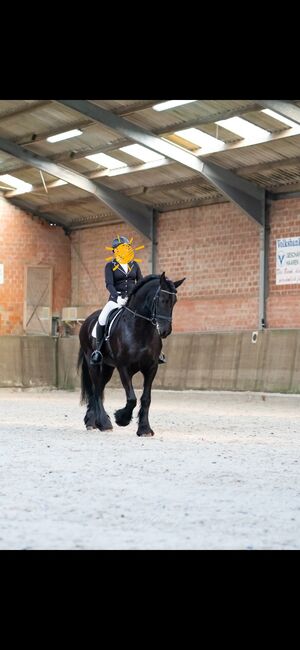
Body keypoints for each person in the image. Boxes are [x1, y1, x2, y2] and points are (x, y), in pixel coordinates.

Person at [90, 236, 166, 365]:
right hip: (116, 299)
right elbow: (109, 284)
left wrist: (138, 296)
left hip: (132, 300)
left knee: (150, 317)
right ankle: (98, 350)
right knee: (102, 318)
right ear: (115, 251)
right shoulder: (110, 266)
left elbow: (140, 282)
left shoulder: (134, 265)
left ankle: (157, 351)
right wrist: (117, 297)